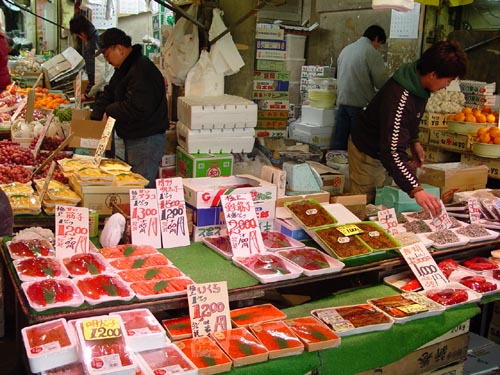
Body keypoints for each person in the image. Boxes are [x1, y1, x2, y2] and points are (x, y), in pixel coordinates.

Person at [348, 41, 467, 217]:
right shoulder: (399, 98)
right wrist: (415, 189)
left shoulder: (419, 84)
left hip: (383, 149)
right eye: (448, 80)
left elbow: (410, 120)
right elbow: (392, 152)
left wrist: (414, 141)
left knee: (382, 199)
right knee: (364, 205)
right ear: (433, 74)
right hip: (367, 150)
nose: (448, 85)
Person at [91, 28, 168, 188]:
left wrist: (110, 110)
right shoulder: (124, 69)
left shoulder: (142, 69)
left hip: (146, 139)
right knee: (132, 187)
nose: (107, 60)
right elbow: (110, 92)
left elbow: (137, 107)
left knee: (142, 190)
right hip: (133, 137)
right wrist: (95, 116)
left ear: (119, 48)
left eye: (106, 55)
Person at [333, 25, 388, 150]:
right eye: (379, 44)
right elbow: (381, 83)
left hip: (342, 103)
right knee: (357, 146)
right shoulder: (372, 53)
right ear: (376, 38)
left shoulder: (346, 49)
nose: (378, 47)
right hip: (359, 106)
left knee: (340, 143)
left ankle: (334, 167)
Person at [69, 14, 112, 101]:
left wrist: (87, 95)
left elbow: (97, 76)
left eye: (79, 36)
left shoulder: (92, 47)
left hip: (104, 92)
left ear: (82, 33)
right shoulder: (99, 38)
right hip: (109, 87)